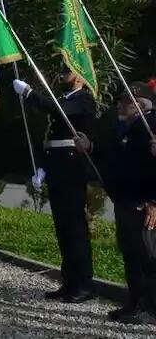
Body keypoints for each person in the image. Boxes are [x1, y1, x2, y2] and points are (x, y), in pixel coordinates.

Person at [14, 67, 97, 303]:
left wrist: (29, 93)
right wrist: (42, 167)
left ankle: (83, 284)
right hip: (58, 169)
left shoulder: (85, 100)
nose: (62, 74)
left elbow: (58, 111)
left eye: (67, 71)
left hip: (73, 170)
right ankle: (69, 282)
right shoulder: (64, 99)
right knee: (63, 230)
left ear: (80, 75)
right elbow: (49, 138)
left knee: (75, 230)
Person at [100, 83, 156, 323]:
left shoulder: (152, 125)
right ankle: (135, 302)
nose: (119, 104)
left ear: (141, 103)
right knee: (131, 253)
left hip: (145, 203)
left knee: (147, 257)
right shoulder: (125, 127)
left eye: (125, 100)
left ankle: (150, 308)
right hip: (125, 199)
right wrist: (90, 147)